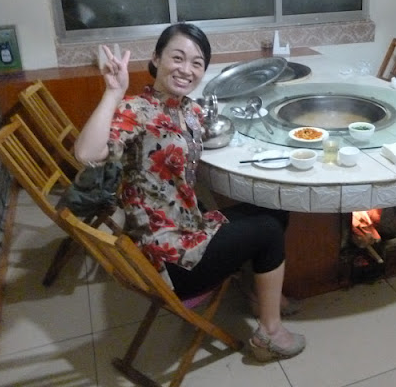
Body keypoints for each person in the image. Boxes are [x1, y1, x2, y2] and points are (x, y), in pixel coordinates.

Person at [74, 23, 305, 361]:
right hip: (168, 259)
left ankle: (259, 296)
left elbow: (209, 131)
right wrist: (113, 92)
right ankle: (269, 334)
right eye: (177, 58)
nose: (186, 69)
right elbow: (86, 154)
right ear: (156, 58)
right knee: (268, 229)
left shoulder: (187, 109)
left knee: (274, 209)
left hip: (189, 228)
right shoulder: (136, 110)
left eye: (197, 63)